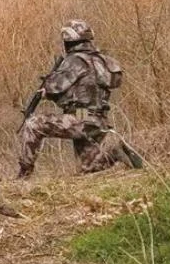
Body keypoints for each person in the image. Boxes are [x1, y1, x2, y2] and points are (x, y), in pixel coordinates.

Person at [17, 20, 143, 178]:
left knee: (33, 125)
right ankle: (114, 151)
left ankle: (24, 175)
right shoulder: (103, 60)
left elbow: (55, 87)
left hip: (80, 117)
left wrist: (45, 89)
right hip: (98, 119)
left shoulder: (75, 60)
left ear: (68, 40)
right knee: (89, 168)